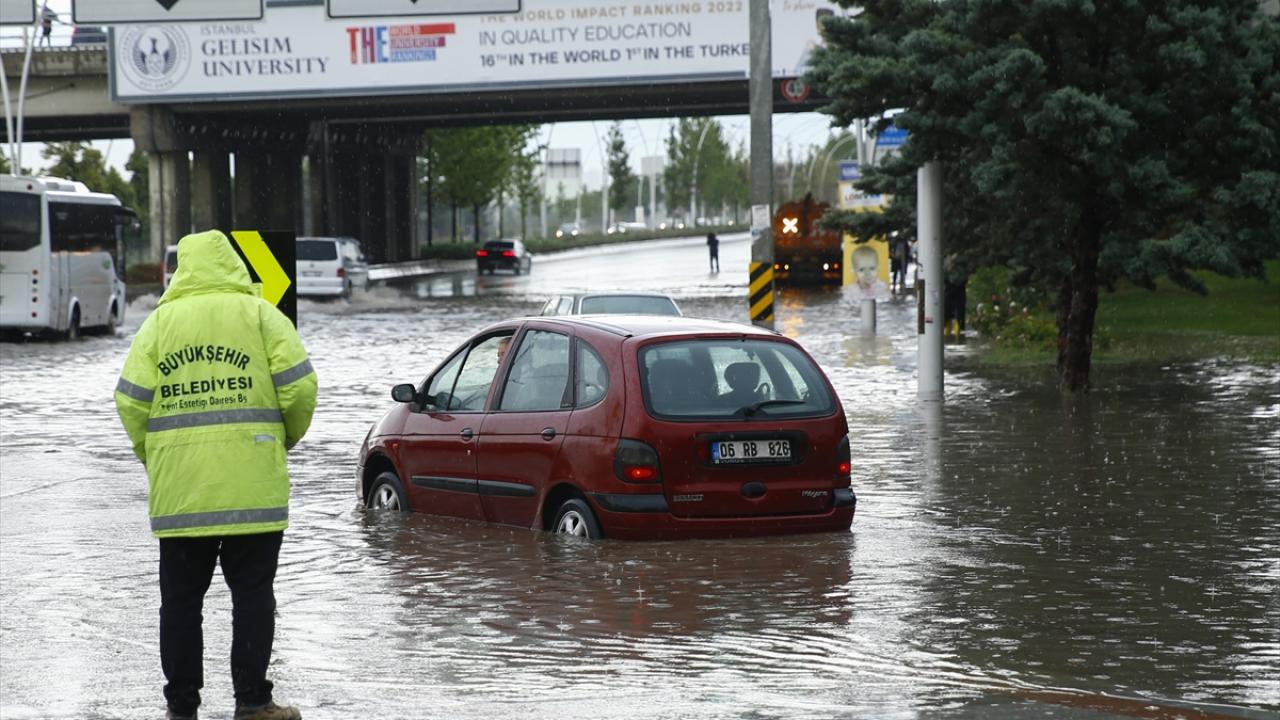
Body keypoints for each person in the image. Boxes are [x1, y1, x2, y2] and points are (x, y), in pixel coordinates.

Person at [114, 230, 318, 720]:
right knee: (252, 598)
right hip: (253, 488)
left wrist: (156, 454)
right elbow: (300, 389)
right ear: (233, 264)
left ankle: (182, 707)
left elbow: (130, 401)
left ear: (181, 269)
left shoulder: (159, 324)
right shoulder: (261, 315)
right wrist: (280, 441)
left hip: (182, 493)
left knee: (180, 605)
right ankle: (252, 701)